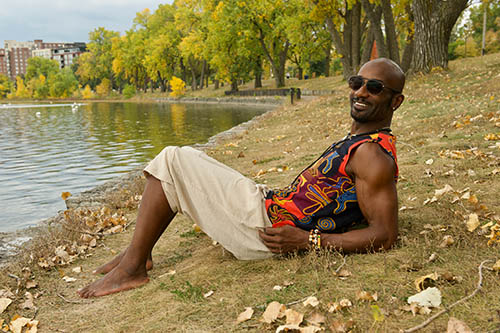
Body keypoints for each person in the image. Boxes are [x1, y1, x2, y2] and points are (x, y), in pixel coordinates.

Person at [77, 58, 405, 298]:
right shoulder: (361, 144)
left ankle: (132, 268)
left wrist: (308, 242)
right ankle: (140, 253)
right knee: (180, 161)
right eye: (356, 82)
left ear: (396, 101)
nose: (361, 91)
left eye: (374, 88)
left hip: (265, 232)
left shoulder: (372, 156)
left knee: (173, 159)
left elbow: (385, 234)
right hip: (270, 206)